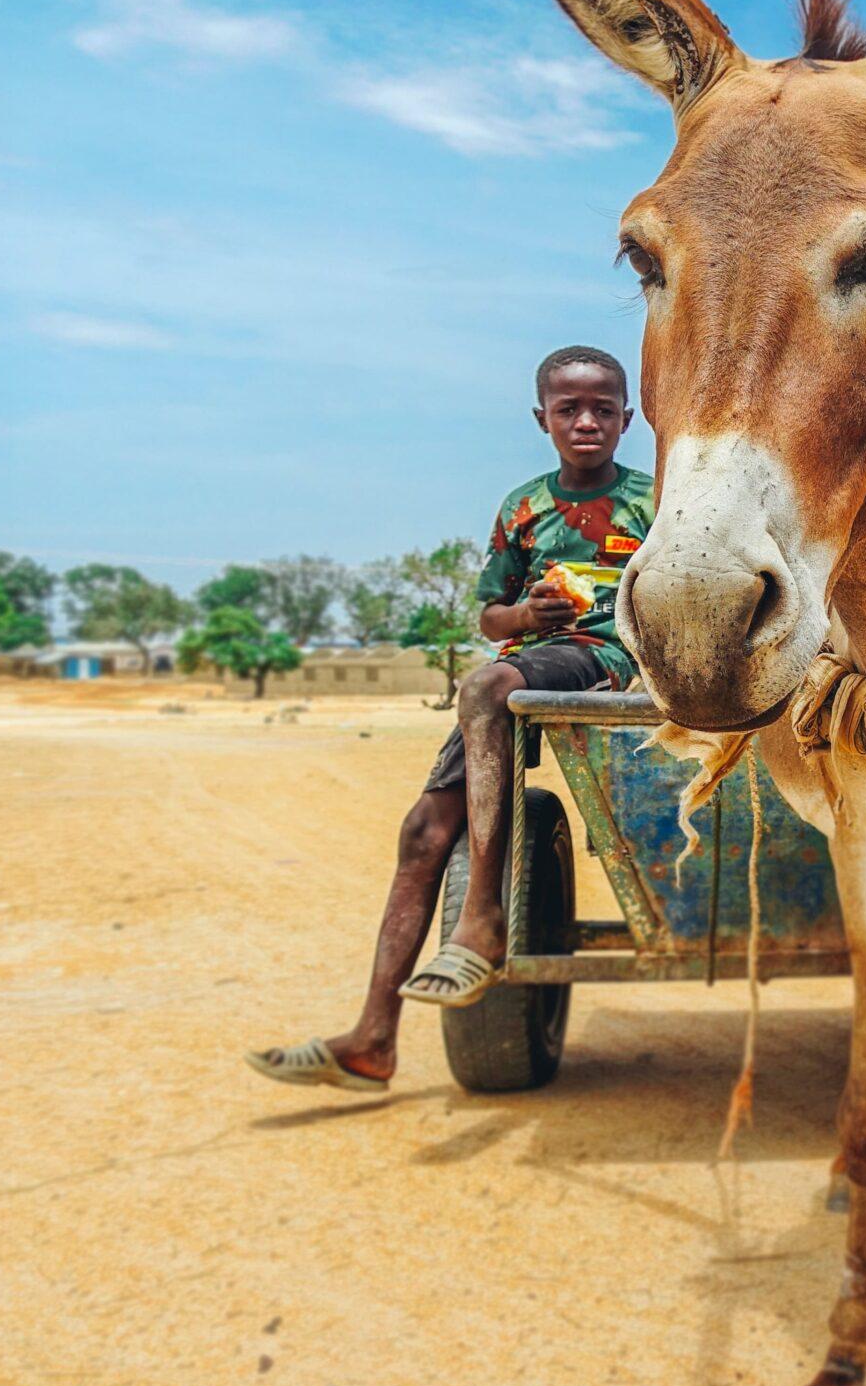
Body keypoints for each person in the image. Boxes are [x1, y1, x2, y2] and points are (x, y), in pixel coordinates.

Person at [246, 345, 652, 1091]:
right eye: (569, 409)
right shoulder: (523, 508)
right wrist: (525, 611)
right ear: (543, 419)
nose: (586, 421)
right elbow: (491, 609)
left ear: (631, 417)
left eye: (603, 409)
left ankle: (483, 918)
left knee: (486, 681)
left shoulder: (655, 502)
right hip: (525, 662)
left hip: (604, 656)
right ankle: (373, 1040)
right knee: (423, 830)